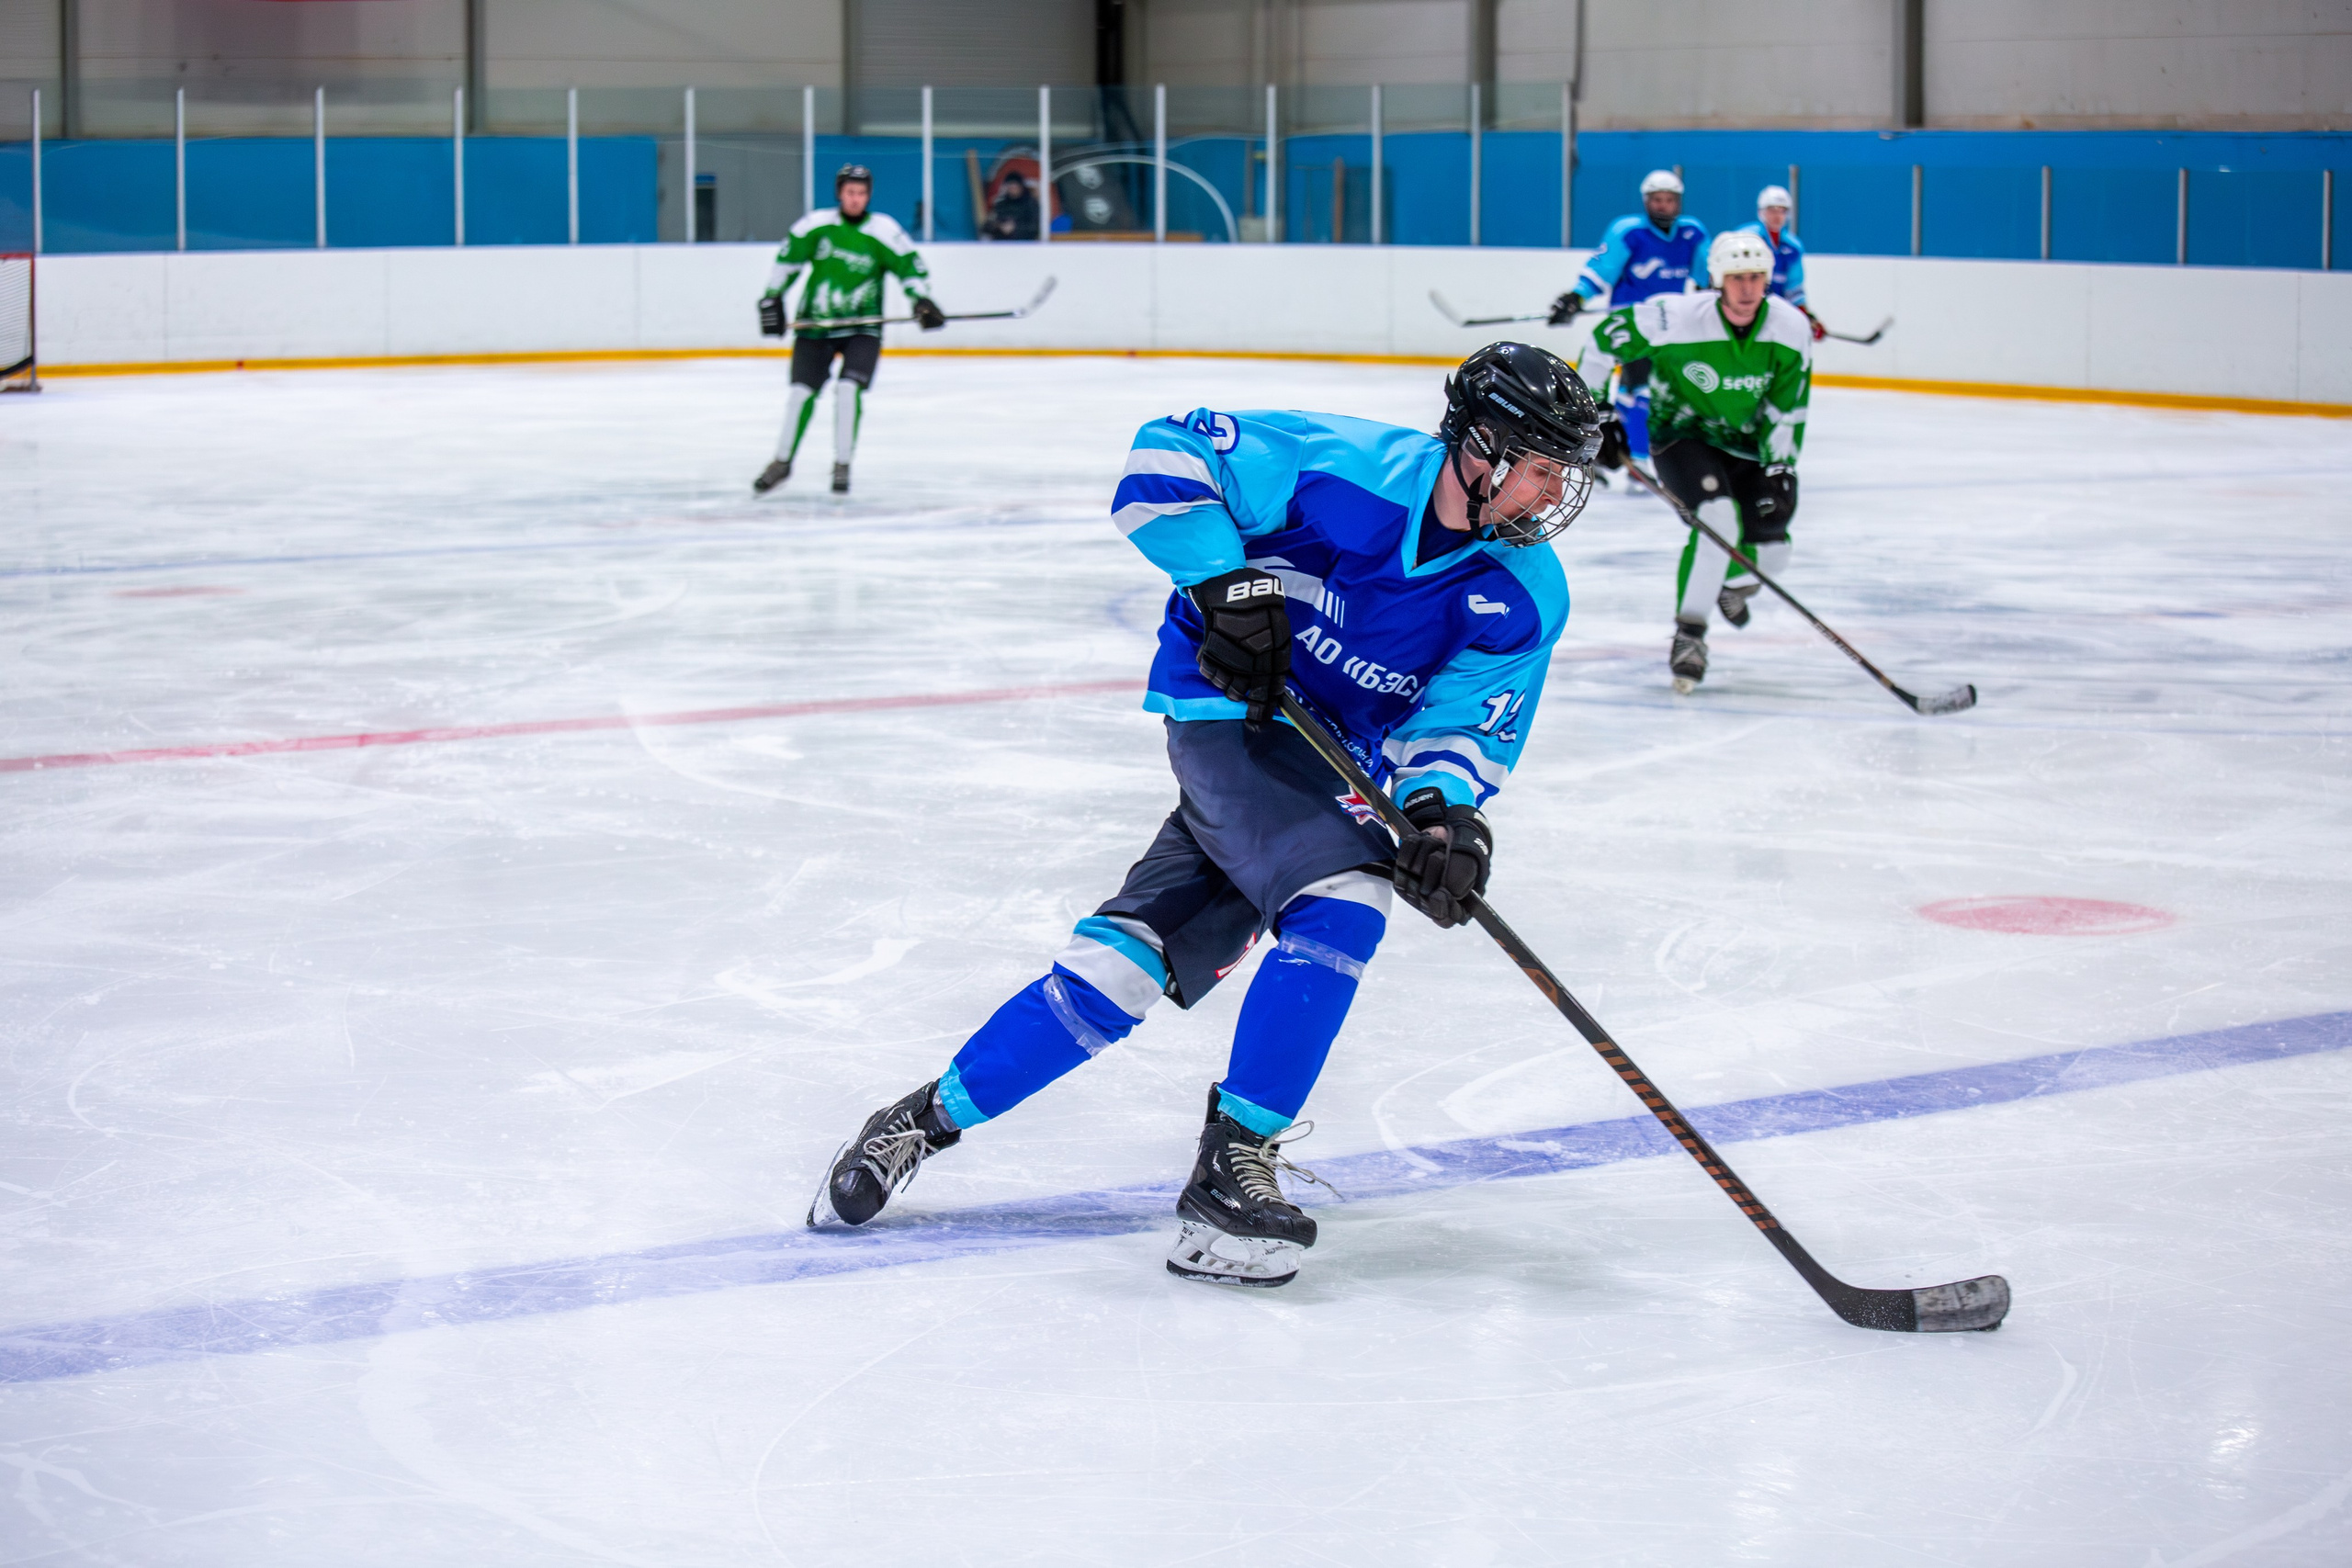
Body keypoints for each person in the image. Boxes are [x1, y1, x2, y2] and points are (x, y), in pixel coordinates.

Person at [805, 344, 1604, 1289]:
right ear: (1480, 449)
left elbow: (1459, 729)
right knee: (1345, 898)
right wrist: (1224, 581)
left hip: (1329, 764)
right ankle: (1231, 1169)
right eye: (1543, 469)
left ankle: (918, 1121)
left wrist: (1443, 821)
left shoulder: (1524, 594)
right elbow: (1163, 459)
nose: (1552, 496)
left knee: (1123, 967)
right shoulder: (1345, 471)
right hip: (1229, 717)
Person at [1583, 230, 1813, 693]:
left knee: (1775, 552)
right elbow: (1601, 342)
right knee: (1718, 521)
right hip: (1680, 438)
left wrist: (1781, 467)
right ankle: (1690, 634)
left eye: (1755, 277)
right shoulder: (1674, 316)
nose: (1747, 289)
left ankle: (1732, 586)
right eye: (1736, 278)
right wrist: (1598, 413)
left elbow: (1788, 410)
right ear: (1716, 281)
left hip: (1748, 447)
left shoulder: (1791, 328)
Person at [752, 164, 947, 497]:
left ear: (868, 195)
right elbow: (788, 262)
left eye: (861, 193)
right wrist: (773, 298)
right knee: (801, 393)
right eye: (849, 193)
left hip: (863, 328)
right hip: (816, 324)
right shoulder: (816, 226)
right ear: (839, 193)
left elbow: (910, 268)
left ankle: (842, 465)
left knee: (848, 390)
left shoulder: (884, 231)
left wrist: (922, 300)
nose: (855, 199)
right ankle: (781, 463)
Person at [1546, 169, 1709, 473]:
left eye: (1669, 200)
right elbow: (1602, 271)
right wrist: (1576, 298)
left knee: (1652, 391)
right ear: (1646, 202)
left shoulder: (1692, 233)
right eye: (1657, 200)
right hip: (1630, 324)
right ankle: (1638, 456)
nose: (1663, 206)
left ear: (1679, 202)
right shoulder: (1628, 231)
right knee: (1640, 387)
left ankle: (1623, 446)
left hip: (1670, 325)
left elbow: (1706, 275)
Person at [1735, 185, 1827, 343]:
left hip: (1774, 315)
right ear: (1761, 212)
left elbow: (1794, 289)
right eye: (1772, 210)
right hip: (1745, 312)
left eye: (1782, 210)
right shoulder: (1747, 237)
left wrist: (1806, 317)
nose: (1777, 215)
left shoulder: (1793, 246)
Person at [982, 169, 1039, 242]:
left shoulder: (1031, 204)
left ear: (1021, 187)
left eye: (1015, 187)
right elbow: (986, 227)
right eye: (1010, 187)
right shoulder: (1001, 205)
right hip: (1001, 245)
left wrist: (1015, 228)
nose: (1012, 190)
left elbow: (1035, 227)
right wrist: (999, 226)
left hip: (1024, 245)